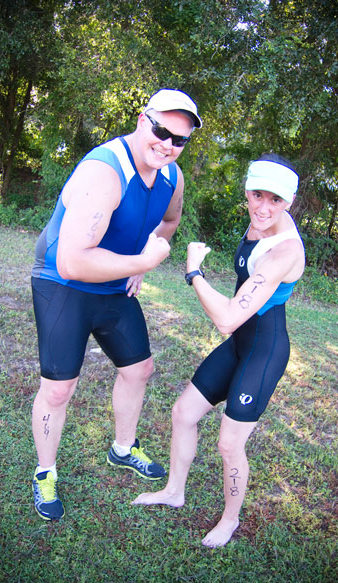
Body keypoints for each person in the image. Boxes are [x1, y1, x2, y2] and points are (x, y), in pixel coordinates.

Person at [30, 89, 202, 521]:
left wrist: (140, 259)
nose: (167, 144)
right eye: (161, 131)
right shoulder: (104, 172)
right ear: (143, 120)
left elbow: (170, 220)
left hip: (113, 285)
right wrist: (141, 262)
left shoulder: (172, 177)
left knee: (139, 369)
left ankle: (123, 448)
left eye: (179, 139)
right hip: (62, 283)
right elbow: (71, 262)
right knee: (58, 389)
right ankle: (45, 472)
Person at [133, 153, 305, 548]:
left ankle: (230, 520)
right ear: (247, 191)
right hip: (241, 343)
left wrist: (194, 271)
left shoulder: (284, 252)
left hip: (264, 352)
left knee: (229, 443)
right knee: (183, 413)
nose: (264, 208)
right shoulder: (259, 222)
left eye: (275, 200)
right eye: (257, 195)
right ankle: (174, 492)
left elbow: (227, 318)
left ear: (289, 202)